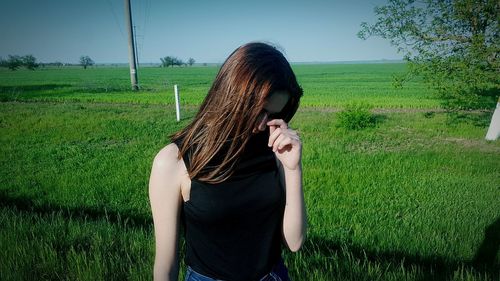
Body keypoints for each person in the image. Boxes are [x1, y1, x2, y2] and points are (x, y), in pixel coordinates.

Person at [149, 42, 307, 281]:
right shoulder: (174, 161)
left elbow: (294, 242)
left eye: (275, 115)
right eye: (258, 111)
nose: (263, 124)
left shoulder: (276, 151)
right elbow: (165, 265)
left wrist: (293, 168)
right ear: (232, 95)